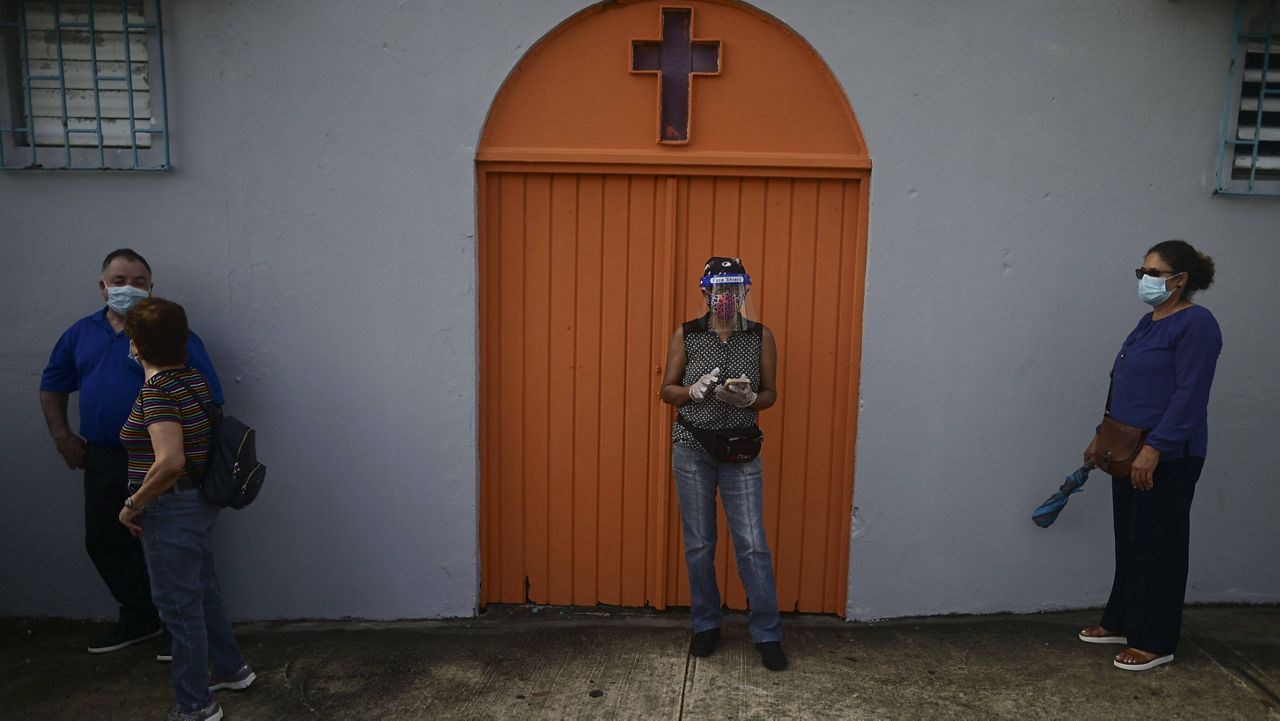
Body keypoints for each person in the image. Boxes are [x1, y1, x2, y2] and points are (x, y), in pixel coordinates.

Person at [40, 248, 224, 659]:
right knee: (104, 538)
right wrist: (62, 435)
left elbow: (210, 397)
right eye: (119, 280)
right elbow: (53, 383)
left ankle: (184, 635)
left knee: (170, 549)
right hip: (102, 457)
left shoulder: (171, 335)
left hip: (160, 461)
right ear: (103, 286)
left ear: (151, 287)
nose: (128, 288)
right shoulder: (81, 333)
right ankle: (142, 618)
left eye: (139, 282)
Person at [1078, 240, 1222, 672]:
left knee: (1160, 545)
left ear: (1180, 280)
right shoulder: (1149, 322)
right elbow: (1122, 381)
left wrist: (1156, 448)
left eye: (1153, 273)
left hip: (1167, 455)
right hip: (1124, 448)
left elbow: (1190, 394)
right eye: (1141, 272)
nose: (1144, 280)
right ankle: (1123, 621)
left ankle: (1156, 639)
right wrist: (1100, 438)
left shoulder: (1197, 324)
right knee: (1132, 539)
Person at [117, 297, 254, 721]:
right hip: (199, 502)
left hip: (170, 508)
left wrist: (133, 504)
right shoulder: (191, 379)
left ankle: (196, 706)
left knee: (180, 606)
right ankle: (233, 670)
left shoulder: (157, 391)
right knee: (203, 590)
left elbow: (171, 460)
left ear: (136, 343)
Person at [659, 256, 787, 671]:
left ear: (745, 292)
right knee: (700, 543)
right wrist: (692, 391)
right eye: (719, 290)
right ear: (706, 294)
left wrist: (750, 400)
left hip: (740, 451)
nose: (726, 298)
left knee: (752, 545)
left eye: (734, 290)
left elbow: (770, 394)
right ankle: (706, 625)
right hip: (692, 446)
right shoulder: (687, 334)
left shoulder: (761, 336)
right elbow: (666, 391)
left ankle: (767, 633)